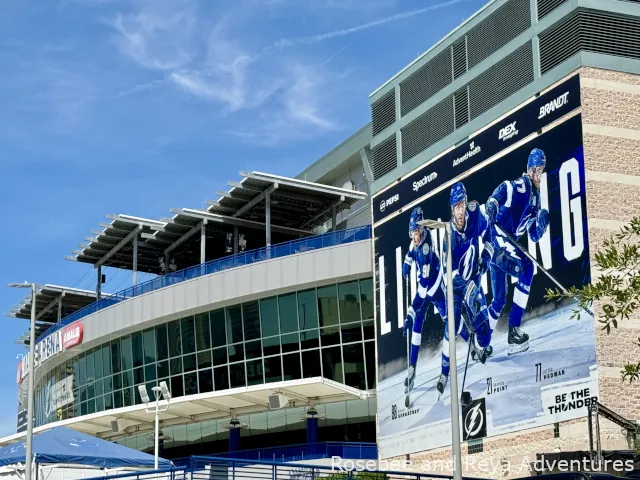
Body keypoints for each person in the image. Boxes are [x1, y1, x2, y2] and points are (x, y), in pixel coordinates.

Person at [484, 148, 550, 355]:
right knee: (527, 268)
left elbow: (532, 236)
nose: (539, 175)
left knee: (499, 299)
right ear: (529, 170)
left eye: (542, 171)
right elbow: (507, 187)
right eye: (537, 170)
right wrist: (493, 201)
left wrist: (541, 225)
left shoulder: (535, 199)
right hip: (499, 240)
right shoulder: (524, 186)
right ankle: (513, 331)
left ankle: (481, 342)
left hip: (500, 247)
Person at [437, 182, 494, 396]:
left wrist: (486, 257)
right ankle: (444, 373)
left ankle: (478, 342)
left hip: (474, 281)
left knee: (485, 335)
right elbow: (448, 274)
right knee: (450, 325)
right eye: (456, 206)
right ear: (451, 209)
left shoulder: (476, 215)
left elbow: (489, 233)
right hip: (455, 287)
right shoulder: (448, 236)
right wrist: (466, 286)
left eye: (462, 204)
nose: (460, 210)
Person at [401, 206, 447, 396]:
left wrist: (411, 310)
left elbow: (424, 288)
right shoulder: (416, 242)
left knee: (450, 320)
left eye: (417, 233)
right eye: (412, 233)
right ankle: (412, 366)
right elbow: (411, 252)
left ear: (422, 230)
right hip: (424, 287)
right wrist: (406, 264)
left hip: (433, 289)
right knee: (417, 325)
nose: (414, 237)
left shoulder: (427, 248)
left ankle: (473, 346)